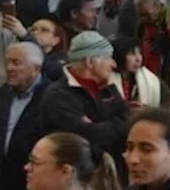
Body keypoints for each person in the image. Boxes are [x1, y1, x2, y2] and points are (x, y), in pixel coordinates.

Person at [40, 32, 130, 174]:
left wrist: (95, 126)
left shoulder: (107, 87)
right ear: (89, 62)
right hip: (76, 176)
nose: (113, 64)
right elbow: (81, 137)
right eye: (108, 57)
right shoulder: (58, 95)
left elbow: (127, 122)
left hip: (110, 174)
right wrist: (111, 125)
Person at [0, 42, 49, 190]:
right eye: (7, 62)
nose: (9, 68)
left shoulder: (53, 97)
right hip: (3, 189)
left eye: (16, 63)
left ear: (36, 68)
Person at [112, 36, 166, 111]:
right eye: (132, 54)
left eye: (139, 53)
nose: (138, 59)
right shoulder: (106, 79)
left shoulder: (151, 80)